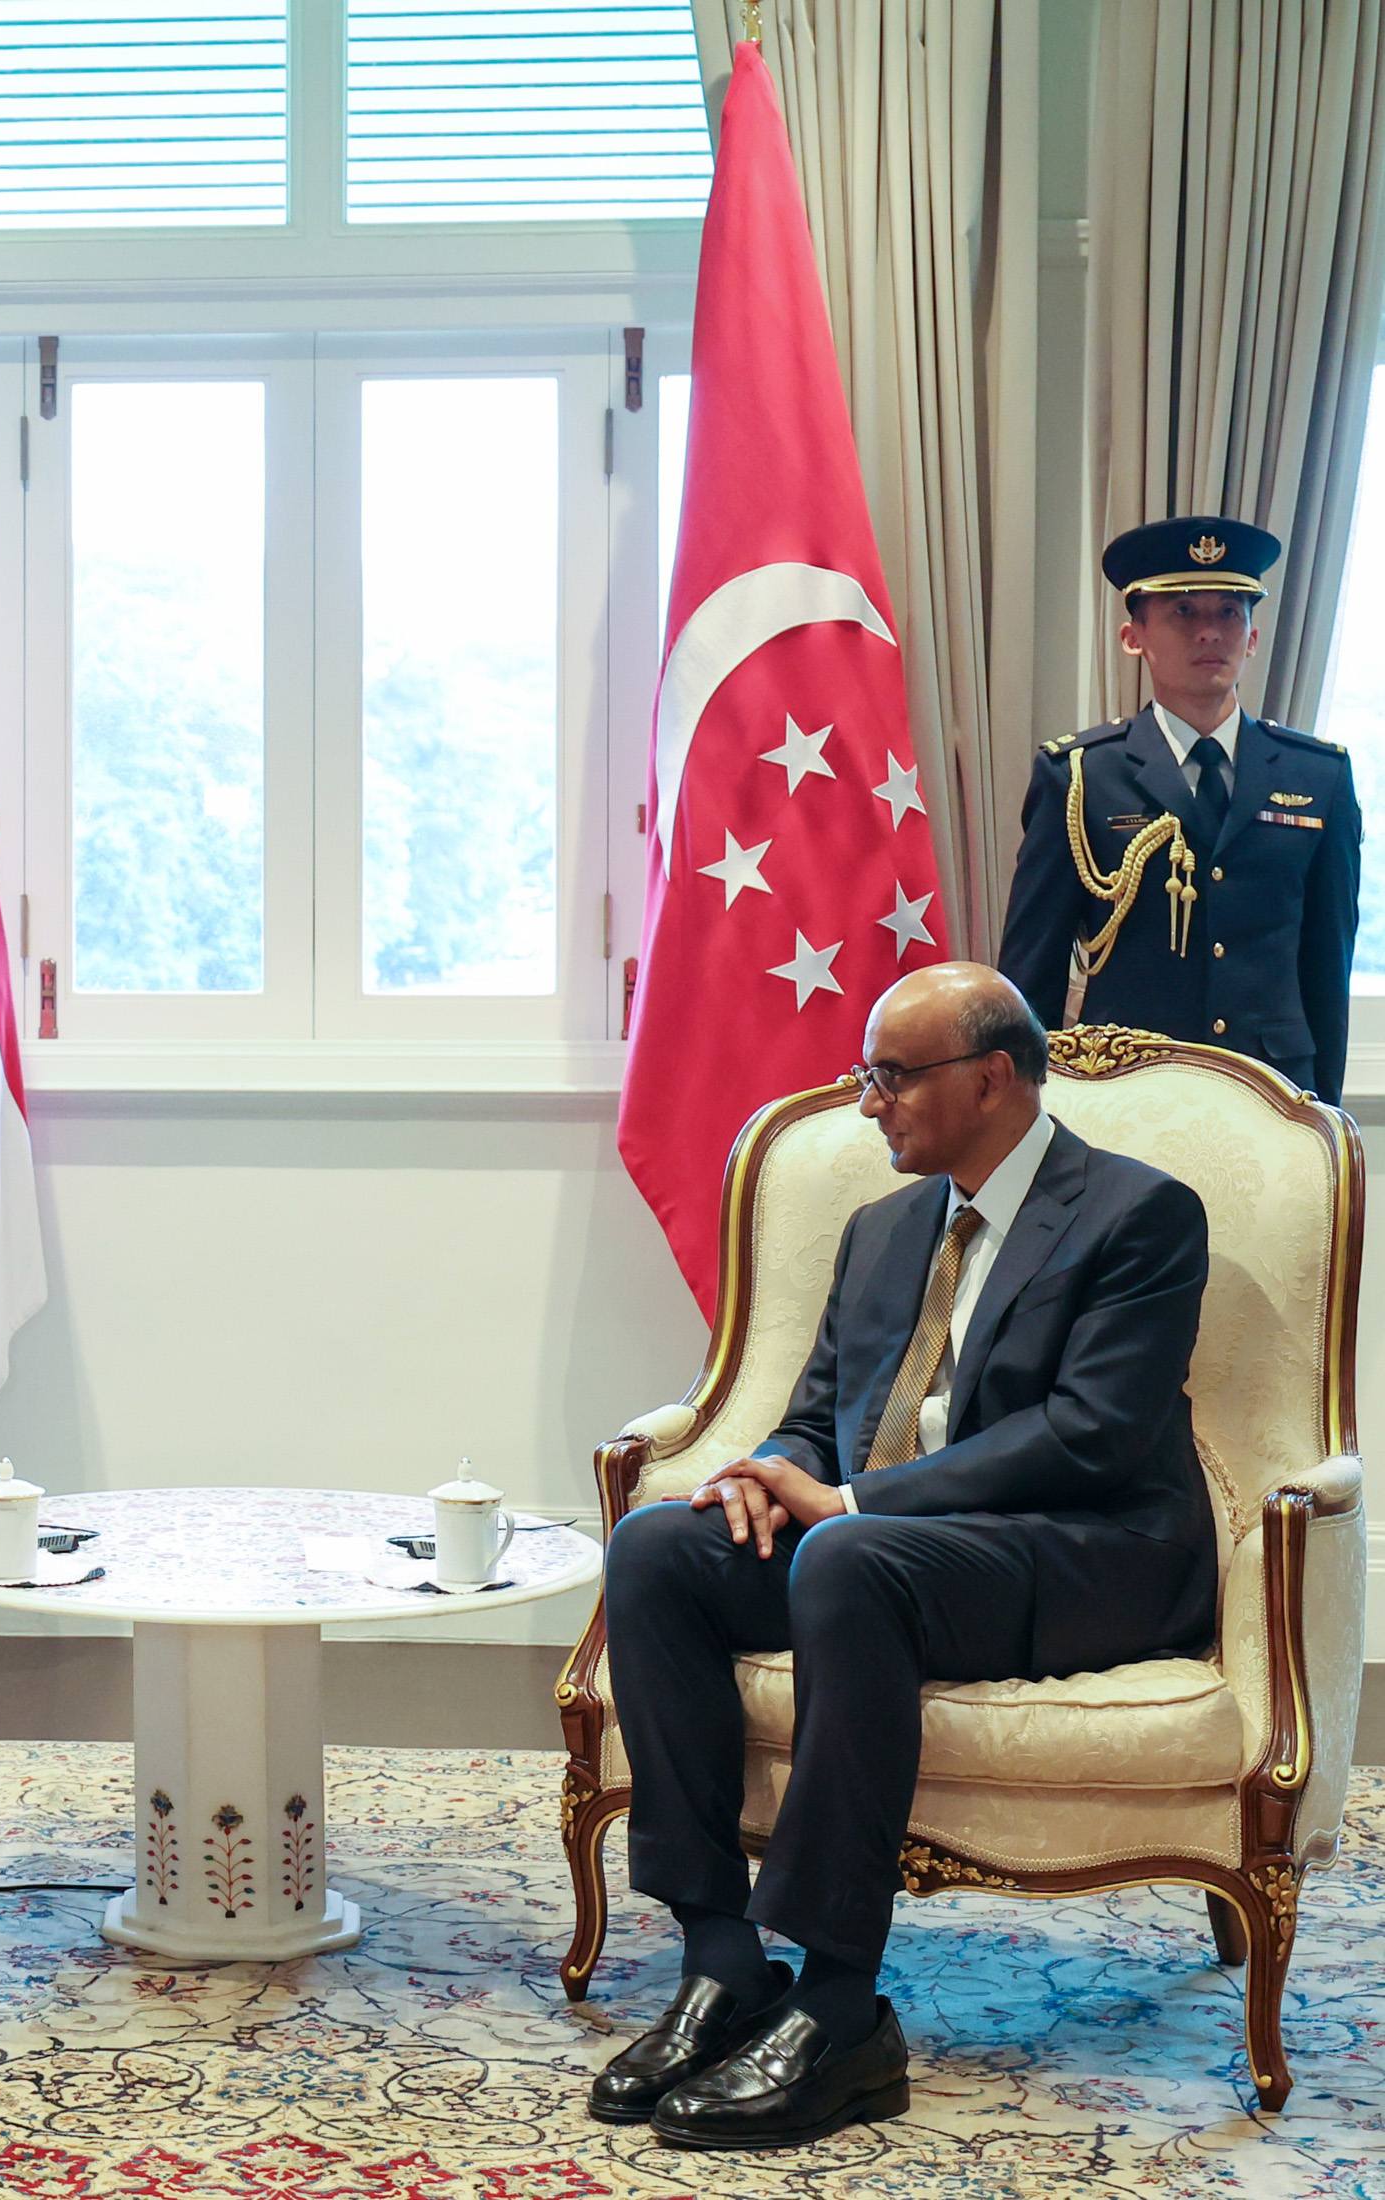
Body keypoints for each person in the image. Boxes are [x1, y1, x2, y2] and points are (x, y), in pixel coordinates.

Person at [590, 963, 1215, 2149]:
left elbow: (1090, 1436)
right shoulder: (883, 1228)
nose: (867, 1101)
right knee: (658, 1549)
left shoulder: (1140, 1212)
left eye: (891, 1076)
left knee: (845, 1557)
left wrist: (847, 1501)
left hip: (1081, 1554)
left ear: (990, 1078)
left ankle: (837, 2007)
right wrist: (763, 1476)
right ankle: (723, 1962)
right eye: (864, 1075)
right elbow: (817, 1406)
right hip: (893, 1546)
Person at [998, 515, 1359, 1103]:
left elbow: (1327, 967)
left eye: (1228, 613)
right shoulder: (1082, 775)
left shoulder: (1318, 777)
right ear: (1133, 635)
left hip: (1273, 1096)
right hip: (1127, 1089)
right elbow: (1030, 971)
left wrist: (1327, 1120)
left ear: (1252, 637)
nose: (1209, 633)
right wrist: (1026, 1118)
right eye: (1184, 612)